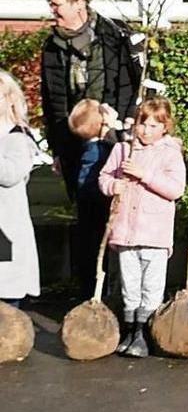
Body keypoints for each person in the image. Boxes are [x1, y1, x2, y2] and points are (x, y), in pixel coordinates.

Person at [41, 0, 140, 294]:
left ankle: (116, 291)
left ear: (79, 1)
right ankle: (89, 293)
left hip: (111, 140)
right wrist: (57, 147)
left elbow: (128, 85)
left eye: (57, 4)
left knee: (113, 216)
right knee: (87, 218)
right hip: (73, 143)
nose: (52, 10)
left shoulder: (112, 38)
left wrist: (122, 128)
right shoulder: (53, 46)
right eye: (51, 3)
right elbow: (50, 98)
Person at [98, 96, 186, 358]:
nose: (146, 131)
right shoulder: (123, 150)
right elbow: (104, 176)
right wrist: (114, 186)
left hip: (154, 234)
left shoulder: (170, 154)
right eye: (142, 124)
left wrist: (144, 175)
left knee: (152, 285)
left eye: (152, 126)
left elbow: (175, 189)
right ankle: (131, 330)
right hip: (126, 231)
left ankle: (146, 332)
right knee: (130, 284)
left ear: (165, 127)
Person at [67, 99, 118, 298]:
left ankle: (91, 289)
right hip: (98, 201)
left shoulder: (87, 148)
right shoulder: (101, 149)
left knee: (89, 246)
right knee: (98, 247)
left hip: (86, 202)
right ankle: (100, 290)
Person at [0, 71, 42, 308]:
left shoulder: (18, 138)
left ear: (9, 100)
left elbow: (10, 175)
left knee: (6, 303)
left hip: (6, 231)